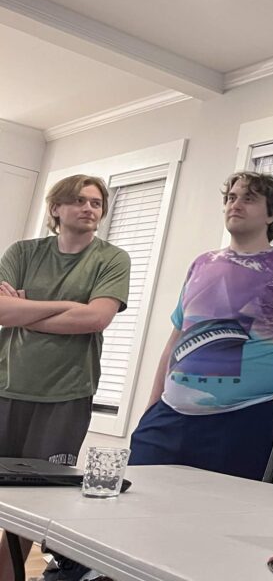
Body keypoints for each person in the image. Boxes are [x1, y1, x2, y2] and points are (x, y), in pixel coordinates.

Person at [128, 171, 273, 480]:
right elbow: (174, 343)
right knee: (135, 508)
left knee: (217, 520)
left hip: (241, 422)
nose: (236, 204)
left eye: (249, 199)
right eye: (231, 198)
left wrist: (261, 362)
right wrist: (151, 409)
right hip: (167, 417)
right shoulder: (202, 264)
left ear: (272, 214)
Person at [0, 175, 130, 581]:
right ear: (56, 209)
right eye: (78, 200)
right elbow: (2, 314)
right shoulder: (22, 252)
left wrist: (28, 310)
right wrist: (65, 307)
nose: (89, 208)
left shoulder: (112, 259)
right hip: (6, 386)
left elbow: (96, 318)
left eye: (96, 203)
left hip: (66, 395)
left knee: (35, 504)